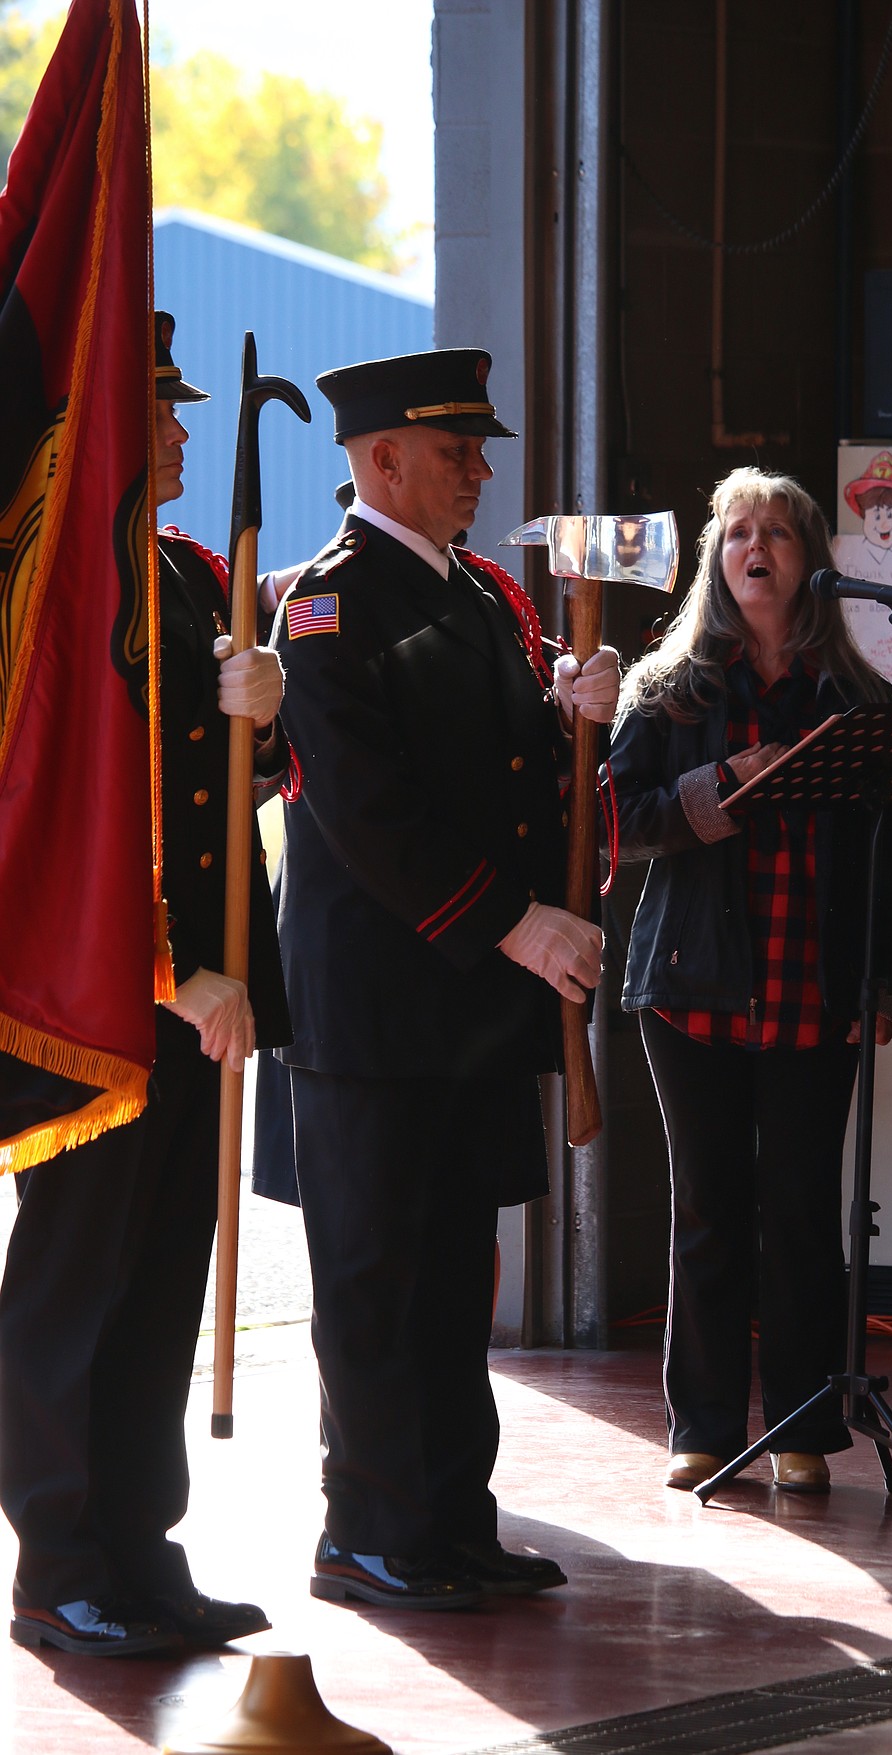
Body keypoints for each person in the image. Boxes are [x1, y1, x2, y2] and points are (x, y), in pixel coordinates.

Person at [265, 347, 619, 1608]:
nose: (480, 472)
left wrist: (576, 712)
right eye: (457, 451)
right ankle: (368, 1529)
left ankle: (451, 1521)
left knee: (455, 1274)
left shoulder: (481, 599)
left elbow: (518, 787)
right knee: (376, 1278)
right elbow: (370, 816)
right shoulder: (327, 607)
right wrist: (521, 928)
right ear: (379, 461)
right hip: (376, 1007)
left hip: (462, 1004)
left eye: (478, 451)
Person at [0, 315, 291, 1657]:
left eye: (180, 411)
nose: (178, 430)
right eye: (160, 412)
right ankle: (59, 1559)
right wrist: (174, 971)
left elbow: (223, 787)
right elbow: (64, 814)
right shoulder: (61, 583)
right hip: (104, 999)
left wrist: (266, 714)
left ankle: (138, 1543)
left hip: (201, 994)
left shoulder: (182, 570)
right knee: (73, 1288)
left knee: (162, 1276)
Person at [607, 466, 892, 1494]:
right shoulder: (668, 689)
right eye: (739, 531)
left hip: (813, 992)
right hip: (692, 989)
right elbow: (616, 825)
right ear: (716, 556)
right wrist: (716, 789)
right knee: (706, 1206)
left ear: (811, 561)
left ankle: (800, 1429)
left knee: (798, 1213)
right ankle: (700, 1427)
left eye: (778, 533)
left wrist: (890, 986)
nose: (757, 546)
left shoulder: (855, 699)